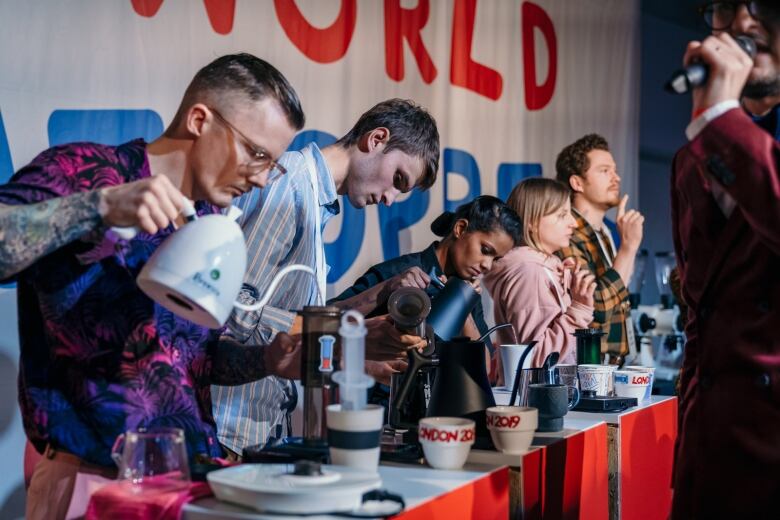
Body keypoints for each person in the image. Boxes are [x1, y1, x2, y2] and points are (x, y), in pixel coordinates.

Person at [0, 53, 307, 519]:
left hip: (188, 480)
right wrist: (98, 207)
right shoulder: (86, 173)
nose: (263, 178)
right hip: (92, 481)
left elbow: (188, 360)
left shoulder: (208, 222)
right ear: (200, 119)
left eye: (273, 165)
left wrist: (267, 360)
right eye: (257, 153)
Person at [212, 98, 441, 458]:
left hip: (261, 423)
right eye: (398, 179)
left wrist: (377, 297)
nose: (391, 200)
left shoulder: (315, 201)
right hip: (230, 426)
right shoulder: (291, 187)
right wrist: (353, 340)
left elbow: (288, 316)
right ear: (376, 139)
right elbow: (237, 313)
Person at [670, 1, 780, 517]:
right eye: (726, 5)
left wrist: (720, 125)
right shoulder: (692, 156)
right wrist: (686, 462)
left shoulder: (716, 134)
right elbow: (701, 317)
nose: (741, 22)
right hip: (712, 462)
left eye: (762, 5)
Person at [330, 195, 522, 387]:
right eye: (485, 250)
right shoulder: (397, 274)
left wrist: (460, 304)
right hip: (379, 407)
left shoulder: (468, 292)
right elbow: (324, 323)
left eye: (496, 259)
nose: (487, 265)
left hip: (437, 410)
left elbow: (483, 370)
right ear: (460, 228)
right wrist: (385, 289)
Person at [484, 178, 595, 370]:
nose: (574, 223)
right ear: (532, 223)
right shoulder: (530, 273)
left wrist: (568, 288)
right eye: (562, 215)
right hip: (539, 399)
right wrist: (578, 311)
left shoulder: (540, 270)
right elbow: (535, 360)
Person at [555, 134, 645, 364]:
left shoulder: (603, 231)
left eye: (614, 170)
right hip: (587, 367)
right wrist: (628, 248)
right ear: (577, 183)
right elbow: (596, 307)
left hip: (609, 363)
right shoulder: (568, 234)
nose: (616, 178)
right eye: (604, 171)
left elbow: (619, 294)